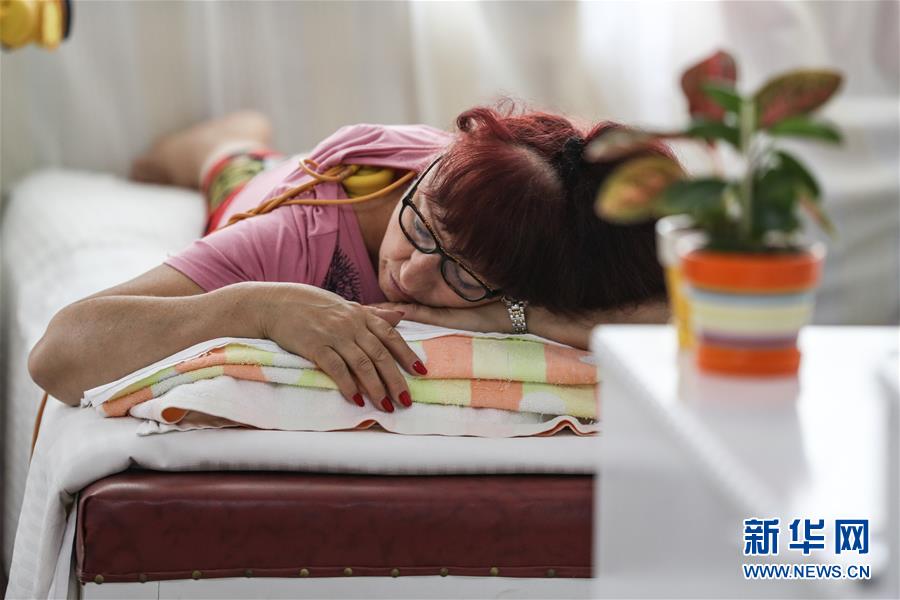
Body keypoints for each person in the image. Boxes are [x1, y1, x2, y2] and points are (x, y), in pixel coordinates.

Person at [28, 103, 669, 413]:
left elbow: (692, 308)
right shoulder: (295, 237)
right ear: (430, 172)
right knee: (235, 172)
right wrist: (258, 306)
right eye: (420, 227)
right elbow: (57, 356)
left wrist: (507, 320)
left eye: (462, 274)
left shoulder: (532, 218)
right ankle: (218, 146)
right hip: (271, 197)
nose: (413, 272)